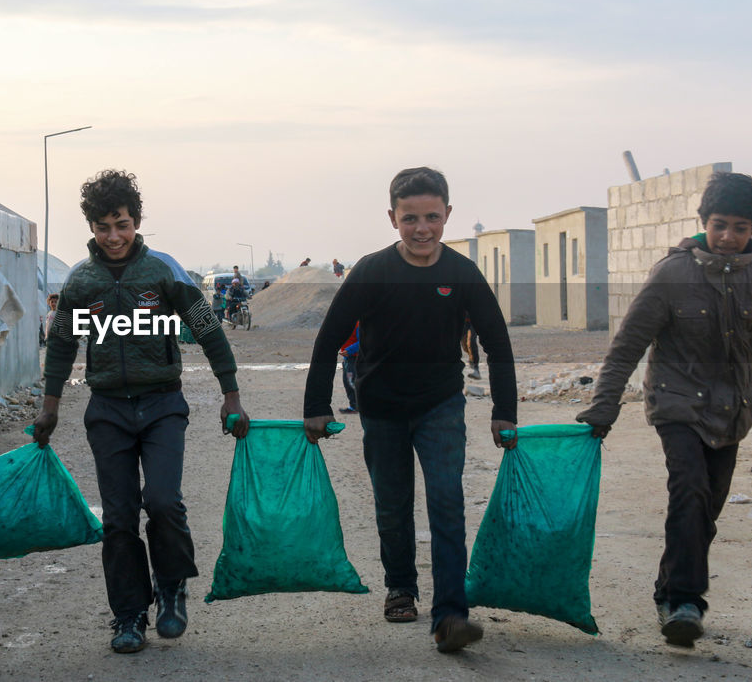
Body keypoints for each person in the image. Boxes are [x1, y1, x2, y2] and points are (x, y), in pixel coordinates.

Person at [577, 171, 752, 647]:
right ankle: (685, 601)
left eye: (740, 228)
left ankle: (667, 590)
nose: (727, 237)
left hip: (733, 413)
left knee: (707, 509)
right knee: (690, 491)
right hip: (676, 404)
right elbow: (627, 346)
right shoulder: (672, 274)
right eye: (719, 224)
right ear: (703, 220)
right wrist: (603, 407)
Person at [31, 169, 250, 654]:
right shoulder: (81, 282)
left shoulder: (163, 272)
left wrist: (230, 395)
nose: (114, 236)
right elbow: (64, 343)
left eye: (122, 224)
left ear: (136, 221)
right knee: (119, 518)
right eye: (103, 227)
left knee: (165, 502)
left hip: (162, 406)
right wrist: (50, 408)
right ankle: (129, 615)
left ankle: (172, 587)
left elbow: (209, 330)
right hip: (106, 409)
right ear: (91, 227)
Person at [303, 166, 518, 654]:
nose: (422, 228)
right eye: (410, 218)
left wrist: (505, 410)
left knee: (447, 503)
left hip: (441, 405)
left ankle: (450, 615)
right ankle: (400, 586)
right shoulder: (372, 270)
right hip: (381, 408)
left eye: (432, 217)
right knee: (392, 503)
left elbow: (497, 340)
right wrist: (315, 405)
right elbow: (329, 336)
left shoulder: (461, 273)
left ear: (447, 216)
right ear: (392, 218)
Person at [338, 322, 360, 414]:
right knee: (348, 381)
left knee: (351, 381)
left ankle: (357, 406)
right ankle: (354, 405)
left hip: (355, 358)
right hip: (348, 358)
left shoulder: (358, 324)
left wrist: (350, 350)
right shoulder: (346, 323)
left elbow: (363, 341)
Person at [461, 314, 480, 379]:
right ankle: (471, 359)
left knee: (471, 341)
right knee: (464, 345)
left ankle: (476, 368)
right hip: (463, 320)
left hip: (474, 319)